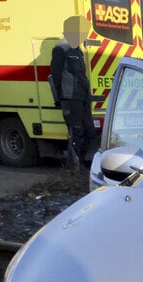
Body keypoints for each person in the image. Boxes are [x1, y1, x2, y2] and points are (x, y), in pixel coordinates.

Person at [50, 16, 96, 169]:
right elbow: (55, 76)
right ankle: (74, 167)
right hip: (70, 97)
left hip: (83, 97)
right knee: (77, 132)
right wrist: (59, 98)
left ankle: (78, 161)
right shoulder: (60, 49)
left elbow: (81, 75)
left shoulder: (78, 50)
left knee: (90, 131)